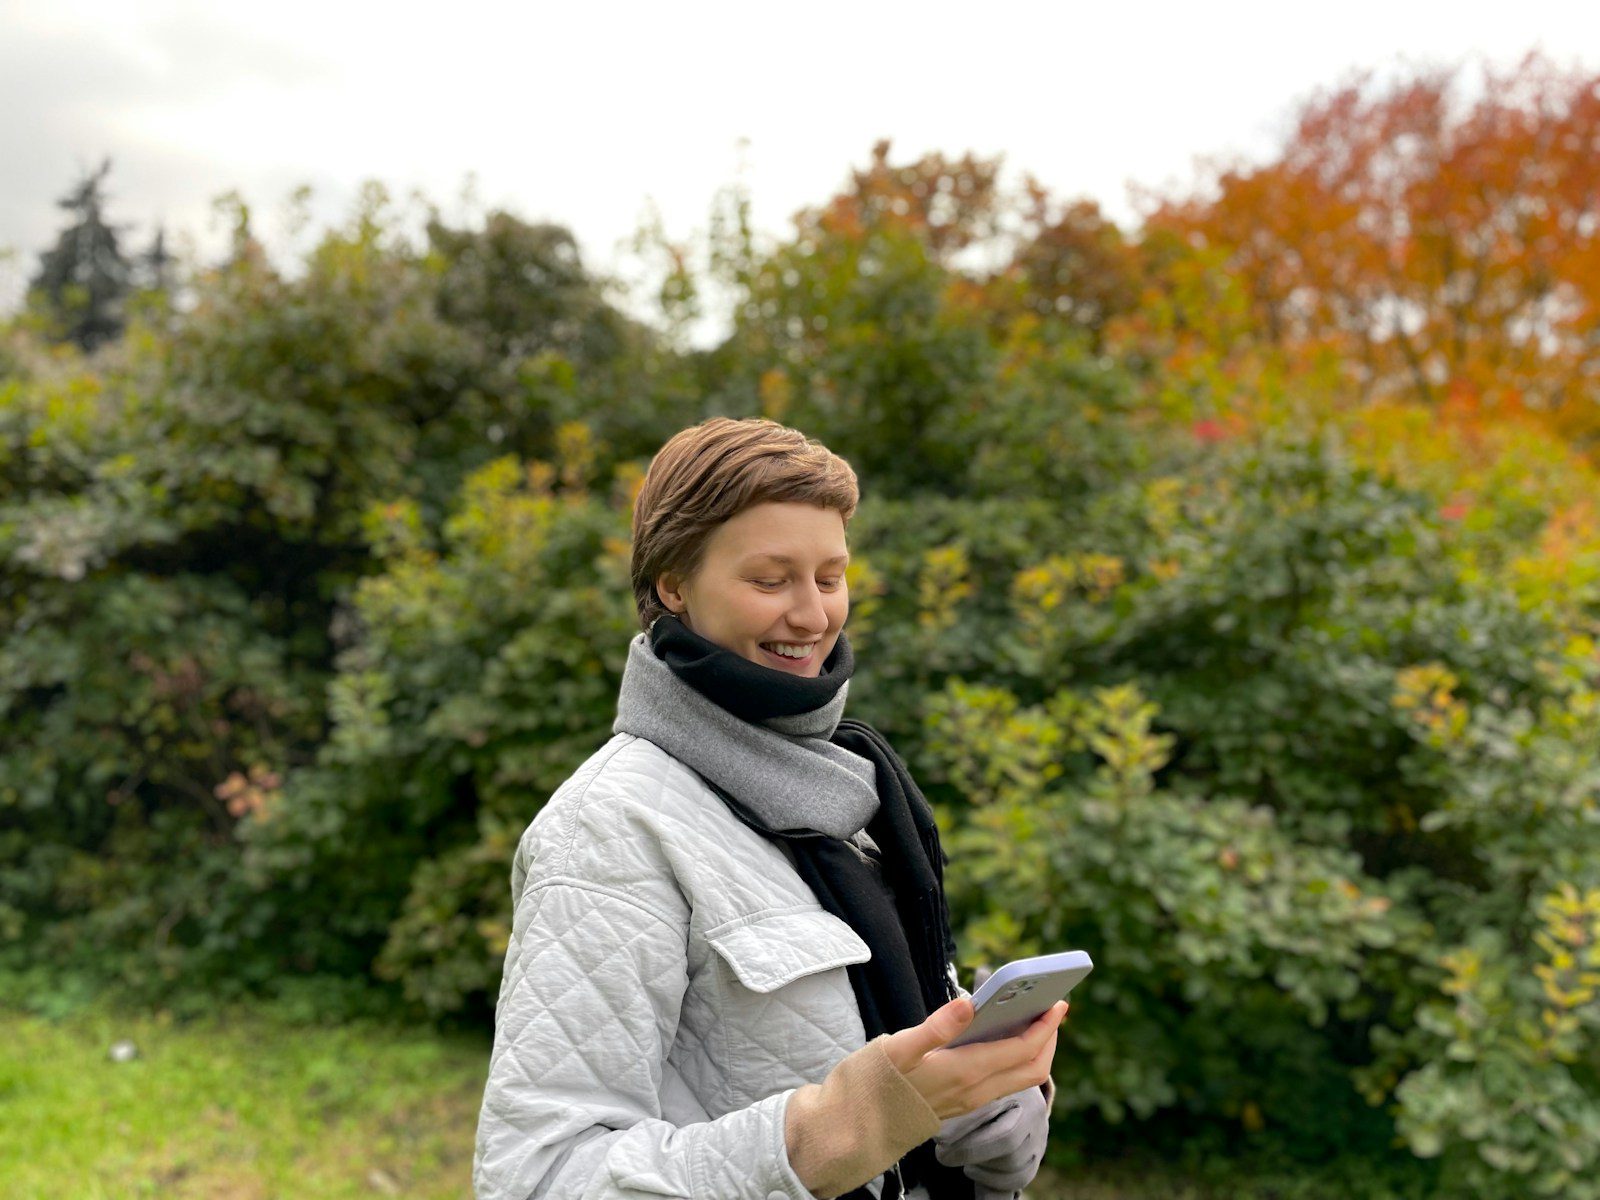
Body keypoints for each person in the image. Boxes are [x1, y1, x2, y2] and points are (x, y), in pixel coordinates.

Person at [473, 417, 1067, 1200]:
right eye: (770, 580)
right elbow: (540, 1177)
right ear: (673, 586)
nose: (815, 616)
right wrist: (837, 1130)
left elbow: (869, 1026)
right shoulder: (612, 827)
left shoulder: (851, 790)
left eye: (829, 577)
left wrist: (985, 1105)